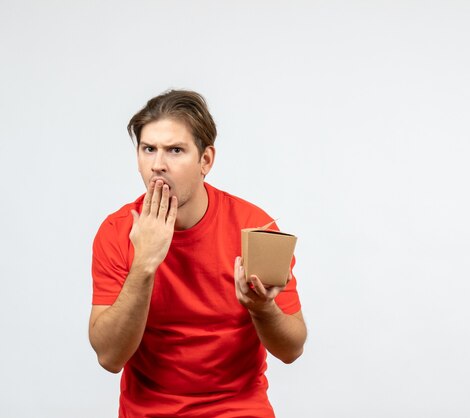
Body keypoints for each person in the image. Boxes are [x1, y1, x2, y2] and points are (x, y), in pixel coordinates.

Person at [88, 90, 307, 417]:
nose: (158, 165)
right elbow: (109, 357)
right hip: (147, 411)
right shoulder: (117, 231)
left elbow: (292, 349)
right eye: (149, 149)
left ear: (206, 160)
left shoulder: (253, 228)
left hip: (238, 409)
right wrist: (144, 266)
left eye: (175, 150)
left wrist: (263, 309)